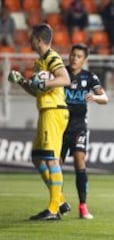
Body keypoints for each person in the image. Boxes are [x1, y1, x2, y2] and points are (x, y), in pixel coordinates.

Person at [7, 23, 71, 220]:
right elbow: (36, 91)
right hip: (45, 110)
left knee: (51, 159)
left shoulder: (52, 57)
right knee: (37, 157)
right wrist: (22, 81)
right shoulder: (39, 62)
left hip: (54, 111)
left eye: (32, 38)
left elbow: (65, 79)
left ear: (39, 40)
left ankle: (53, 210)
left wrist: (44, 82)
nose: (29, 41)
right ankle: (60, 201)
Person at [60, 43, 109, 219]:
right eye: (73, 55)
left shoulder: (89, 77)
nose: (74, 58)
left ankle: (83, 206)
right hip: (60, 125)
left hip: (79, 126)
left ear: (84, 60)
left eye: (79, 56)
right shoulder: (60, 73)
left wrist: (95, 97)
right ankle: (58, 201)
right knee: (56, 165)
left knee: (80, 162)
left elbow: (105, 98)